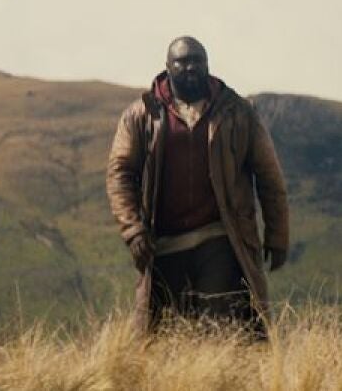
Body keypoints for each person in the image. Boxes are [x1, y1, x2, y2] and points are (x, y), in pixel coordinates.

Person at [106, 36, 289, 334]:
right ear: (167, 67)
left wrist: (277, 235)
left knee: (222, 332)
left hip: (221, 238)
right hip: (164, 244)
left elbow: (269, 176)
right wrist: (133, 229)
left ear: (207, 65)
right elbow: (120, 173)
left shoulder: (237, 111)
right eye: (182, 61)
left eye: (197, 61)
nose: (191, 67)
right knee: (164, 337)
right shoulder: (142, 114)